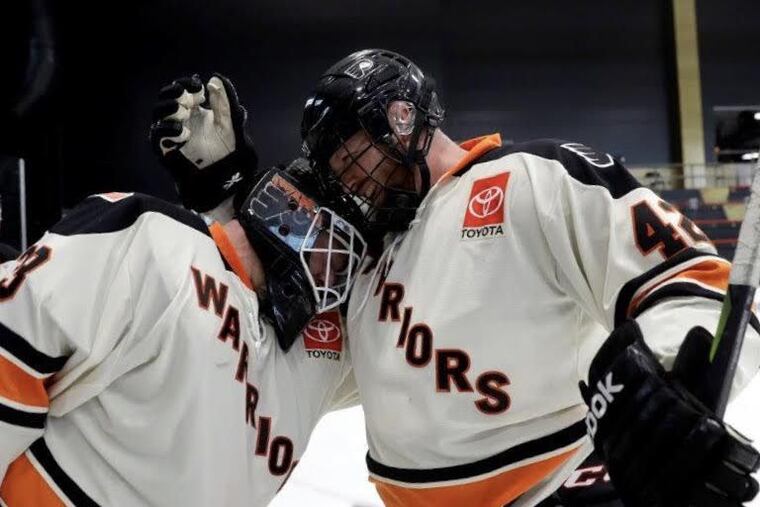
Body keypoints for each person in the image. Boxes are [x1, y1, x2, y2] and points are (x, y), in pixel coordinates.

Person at [151, 57, 760, 507]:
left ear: (400, 116)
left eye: (350, 157)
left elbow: (684, 276)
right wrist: (221, 200)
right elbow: (283, 359)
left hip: (565, 492)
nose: (346, 183)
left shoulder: (530, 178)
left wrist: (671, 384)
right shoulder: (365, 269)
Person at [0, 140, 367, 505]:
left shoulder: (316, 358)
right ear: (291, 216)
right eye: (333, 258)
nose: (336, 281)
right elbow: (12, 349)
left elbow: (401, 358)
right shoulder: (156, 240)